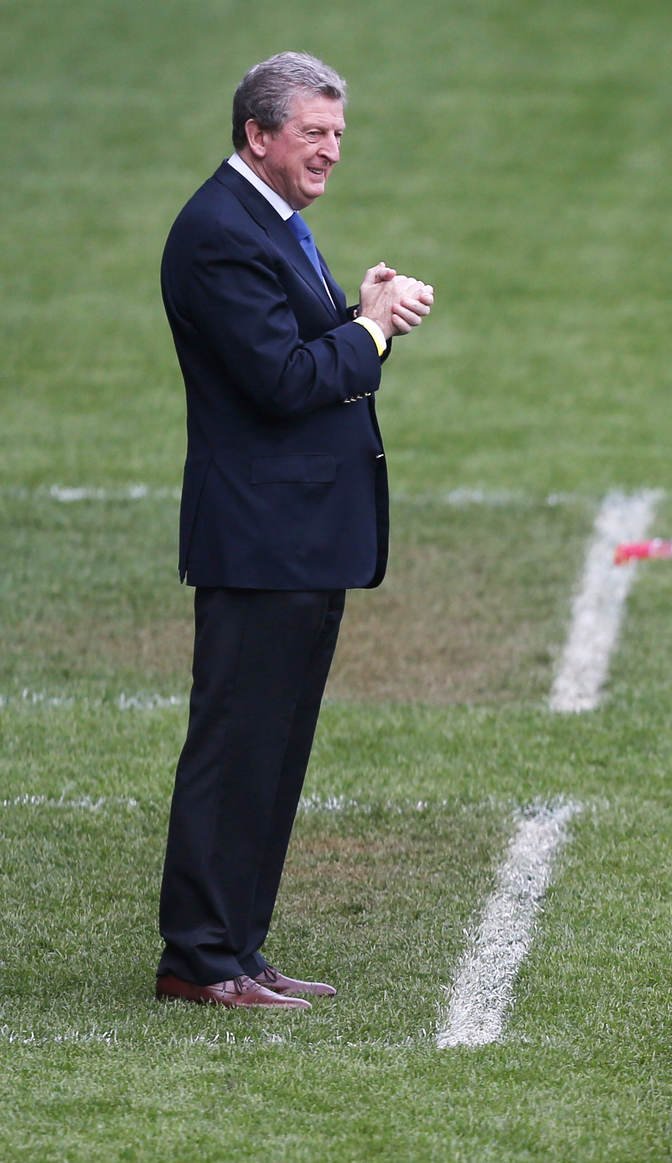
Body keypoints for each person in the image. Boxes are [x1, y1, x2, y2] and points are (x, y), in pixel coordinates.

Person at [153, 51, 434, 1009]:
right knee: (237, 747)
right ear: (257, 134)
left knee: (273, 752)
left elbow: (301, 349)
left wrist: (356, 310)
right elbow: (282, 382)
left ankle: (239, 946)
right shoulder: (218, 234)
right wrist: (375, 330)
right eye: (313, 134)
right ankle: (198, 956)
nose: (331, 152)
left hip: (299, 537)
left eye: (338, 135)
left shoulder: (267, 222)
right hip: (262, 539)